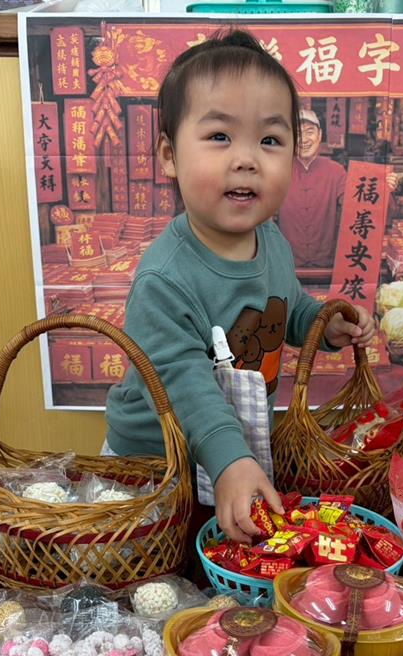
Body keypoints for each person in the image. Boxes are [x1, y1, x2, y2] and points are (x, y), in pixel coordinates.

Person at [104, 30, 375, 544]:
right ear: (169, 155)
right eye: (220, 137)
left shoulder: (271, 241)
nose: (247, 159)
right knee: (154, 563)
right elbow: (183, 381)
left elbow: (285, 308)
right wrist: (229, 459)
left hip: (233, 453)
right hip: (156, 464)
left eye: (270, 140)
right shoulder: (164, 278)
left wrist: (322, 324)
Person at [276, 109, 348, 271]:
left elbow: (355, 205)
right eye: (298, 133)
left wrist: (383, 189)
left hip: (326, 264)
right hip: (287, 264)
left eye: (310, 132)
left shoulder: (336, 171)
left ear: (320, 135)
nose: (304, 139)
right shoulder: (278, 171)